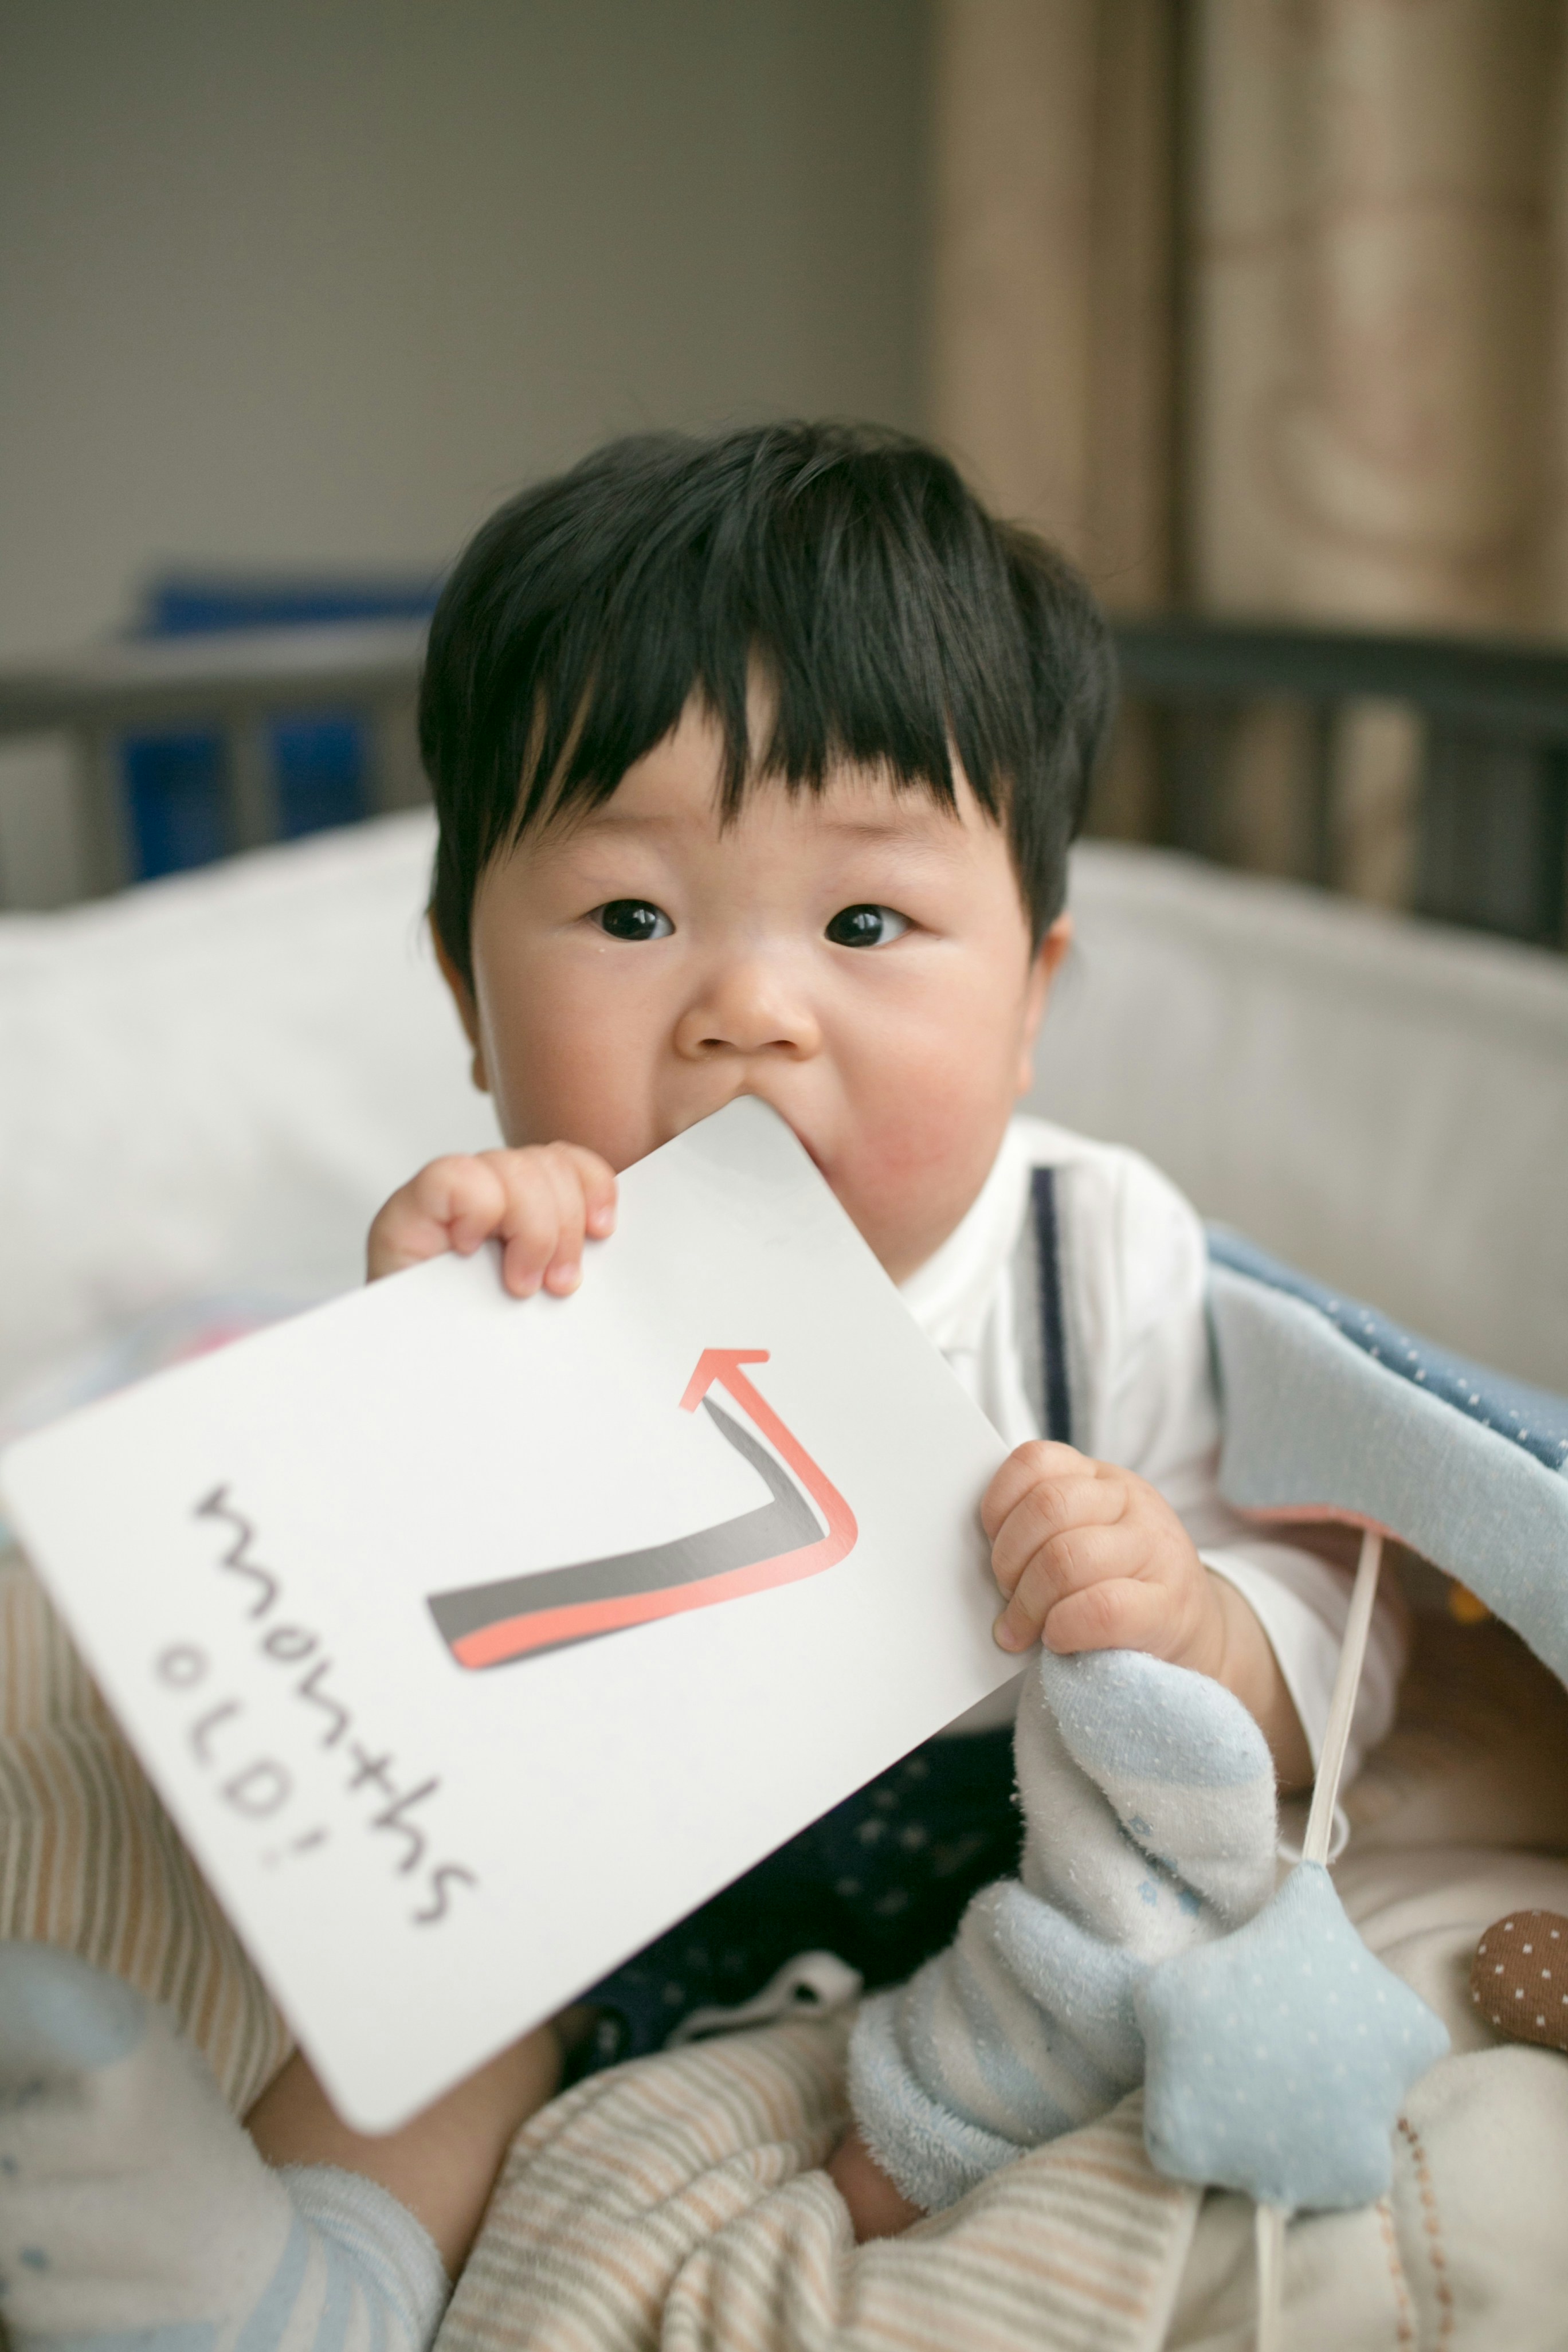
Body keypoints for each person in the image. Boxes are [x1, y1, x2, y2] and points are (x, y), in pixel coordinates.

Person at [0, 424, 1404, 2347]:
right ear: (461, 992)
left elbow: (1349, 1639)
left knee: (1115, 1995)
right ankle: (296, 2285)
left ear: (1033, 996)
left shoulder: (1108, 1266)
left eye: (865, 925)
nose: (749, 1006)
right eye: (632, 919)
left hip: (953, 1917)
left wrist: (1199, 1619)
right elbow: (368, 1651)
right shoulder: (531, 1259)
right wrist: (429, 1340)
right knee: (420, 2004)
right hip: (581, 1879)